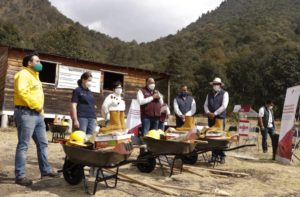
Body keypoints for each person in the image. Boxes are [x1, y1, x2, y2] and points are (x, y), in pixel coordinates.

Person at [14, 53, 58, 186]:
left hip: (38, 115)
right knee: (23, 145)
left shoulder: (35, 76)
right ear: (29, 63)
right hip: (26, 113)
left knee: (43, 143)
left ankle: (45, 170)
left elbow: (38, 96)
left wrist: (41, 112)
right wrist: (36, 106)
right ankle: (20, 176)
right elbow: (22, 92)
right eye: (37, 61)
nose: (40, 63)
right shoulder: (22, 75)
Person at [204, 77, 229, 164]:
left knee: (220, 137)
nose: (215, 85)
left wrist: (214, 113)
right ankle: (214, 156)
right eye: (214, 84)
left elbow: (224, 106)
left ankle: (222, 156)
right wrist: (208, 112)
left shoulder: (225, 93)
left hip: (220, 118)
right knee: (212, 137)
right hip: (210, 118)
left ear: (220, 85)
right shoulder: (209, 94)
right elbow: (205, 105)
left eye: (217, 84)